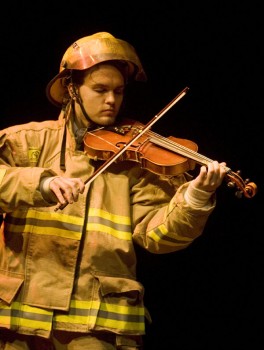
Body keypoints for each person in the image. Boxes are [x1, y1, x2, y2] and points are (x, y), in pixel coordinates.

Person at [0, 32, 227, 349]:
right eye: (100, 89)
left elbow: (157, 235)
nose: (111, 100)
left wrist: (194, 198)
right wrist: (42, 182)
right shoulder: (27, 141)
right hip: (21, 319)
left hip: (99, 323)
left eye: (118, 91)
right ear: (71, 89)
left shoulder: (134, 160)